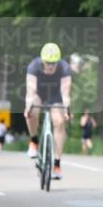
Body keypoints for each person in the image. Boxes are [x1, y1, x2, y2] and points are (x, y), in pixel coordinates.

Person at [24, 43, 71, 180]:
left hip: (55, 95)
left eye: (54, 63)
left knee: (59, 122)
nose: (51, 66)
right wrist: (28, 107)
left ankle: (56, 164)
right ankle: (34, 141)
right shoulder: (34, 66)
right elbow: (30, 91)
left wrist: (67, 108)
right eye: (48, 63)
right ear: (42, 60)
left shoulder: (64, 68)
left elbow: (65, 92)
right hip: (39, 93)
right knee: (32, 110)